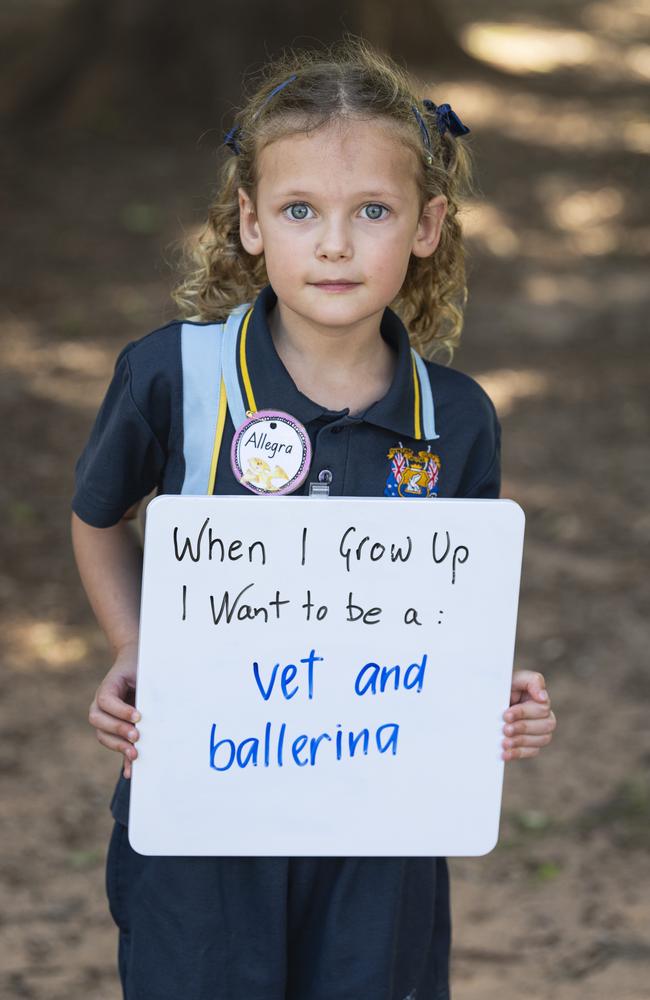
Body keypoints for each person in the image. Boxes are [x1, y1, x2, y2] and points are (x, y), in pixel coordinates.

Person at [71, 37, 557, 1000]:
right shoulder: (174, 376)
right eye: (300, 211)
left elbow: (442, 613)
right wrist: (134, 646)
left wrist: (494, 699)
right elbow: (98, 517)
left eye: (372, 211)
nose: (334, 242)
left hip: (379, 825)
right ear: (250, 222)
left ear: (427, 225)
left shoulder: (455, 419)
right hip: (203, 814)